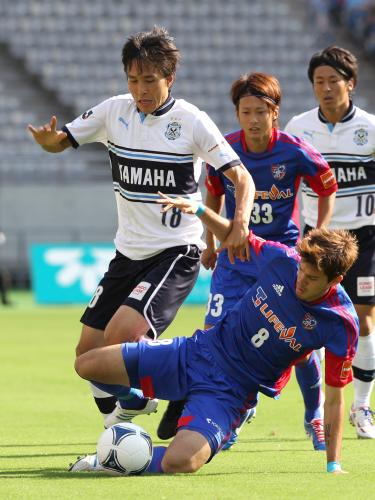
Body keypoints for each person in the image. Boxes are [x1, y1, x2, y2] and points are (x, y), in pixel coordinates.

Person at [27, 26, 255, 426]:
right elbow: (61, 140)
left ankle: (179, 383)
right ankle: (133, 407)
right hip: (127, 254)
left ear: (169, 78)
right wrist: (48, 142)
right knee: (87, 357)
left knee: (118, 342)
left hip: (175, 252)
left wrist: (239, 222)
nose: (140, 90)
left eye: (149, 80)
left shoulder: (190, 121)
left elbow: (242, 178)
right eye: (133, 80)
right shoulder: (114, 111)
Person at [70, 193, 359, 475]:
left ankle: (109, 460)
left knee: (180, 462)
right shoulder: (283, 260)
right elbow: (236, 238)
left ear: (336, 280)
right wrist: (198, 210)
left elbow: (335, 398)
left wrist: (333, 463)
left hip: (230, 391)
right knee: (87, 365)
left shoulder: (340, 323)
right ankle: (138, 400)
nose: (300, 281)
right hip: (197, 351)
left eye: (311, 279)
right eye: (301, 271)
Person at [157, 72, 338, 450]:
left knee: (298, 345)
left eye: (261, 111)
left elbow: (327, 186)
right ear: (237, 114)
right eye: (245, 112)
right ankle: (226, 413)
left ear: (275, 113)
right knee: (214, 336)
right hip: (236, 255)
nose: (253, 120)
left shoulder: (293, 150)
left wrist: (316, 235)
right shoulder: (225, 151)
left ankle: (314, 416)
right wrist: (209, 243)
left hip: (285, 259)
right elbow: (212, 195)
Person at [285, 46, 375, 439]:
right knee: (311, 319)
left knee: (364, 318)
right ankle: (318, 411)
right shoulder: (299, 127)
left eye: (333, 81)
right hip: (317, 239)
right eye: (318, 82)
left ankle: (362, 406)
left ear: (350, 84)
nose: (325, 88)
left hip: (364, 237)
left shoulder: (370, 129)